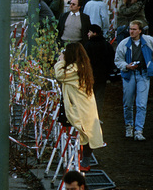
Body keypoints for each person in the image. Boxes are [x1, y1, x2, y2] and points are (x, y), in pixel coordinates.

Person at [55, 42, 104, 171]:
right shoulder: (82, 66)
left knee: (86, 134)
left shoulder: (74, 69)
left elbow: (60, 75)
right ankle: (84, 162)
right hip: (85, 105)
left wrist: (61, 61)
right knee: (87, 133)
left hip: (81, 107)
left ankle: (84, 163)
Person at [114, 20, 153, 141]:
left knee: (141, 104)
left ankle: (139, 130)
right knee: (128, 103)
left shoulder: (148, 41)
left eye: (134, 29)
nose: (131, 31)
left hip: (143, 74)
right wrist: (126, 66)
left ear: (140, 31)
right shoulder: (124, 43)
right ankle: (129, 126)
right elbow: (118, 60)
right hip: (129, 74)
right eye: (130, 29)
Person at [84, 24, 114, 120]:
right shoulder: (106, 45)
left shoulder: (87, 45)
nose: (88, 34)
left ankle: (89, 117)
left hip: (90, 76)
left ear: (95, 33)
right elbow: (111, 60)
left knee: (89, 96)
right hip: (102, 76)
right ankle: (97, 117)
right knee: (99, 97)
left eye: (90, 32)